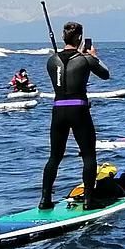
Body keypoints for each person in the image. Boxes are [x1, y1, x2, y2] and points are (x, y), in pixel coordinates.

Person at [42, 23, 109, 211]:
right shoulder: (86, 59)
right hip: (78, 110)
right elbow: (105, 74)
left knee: (54, 157)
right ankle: (89, 201)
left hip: (58, 110)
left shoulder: (51, 60)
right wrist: (94, 57)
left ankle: (45, 199)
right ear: (79, 38)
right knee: (88, 156)